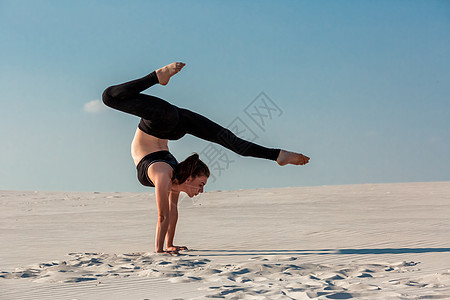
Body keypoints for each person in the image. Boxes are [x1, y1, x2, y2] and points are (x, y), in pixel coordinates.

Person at [102, 62, 310, 254]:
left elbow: (165, 215)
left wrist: (162, 249)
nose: (201, 190)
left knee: (109, 97)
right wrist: (167, 245)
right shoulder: (172, 175)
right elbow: (170, 213)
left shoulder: (164, 175)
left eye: (201, 185)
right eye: (202, 184)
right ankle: (278, 155)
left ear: (189, 177)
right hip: (172, 121)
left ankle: (158, 77)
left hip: (164, 121)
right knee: (230, 141)